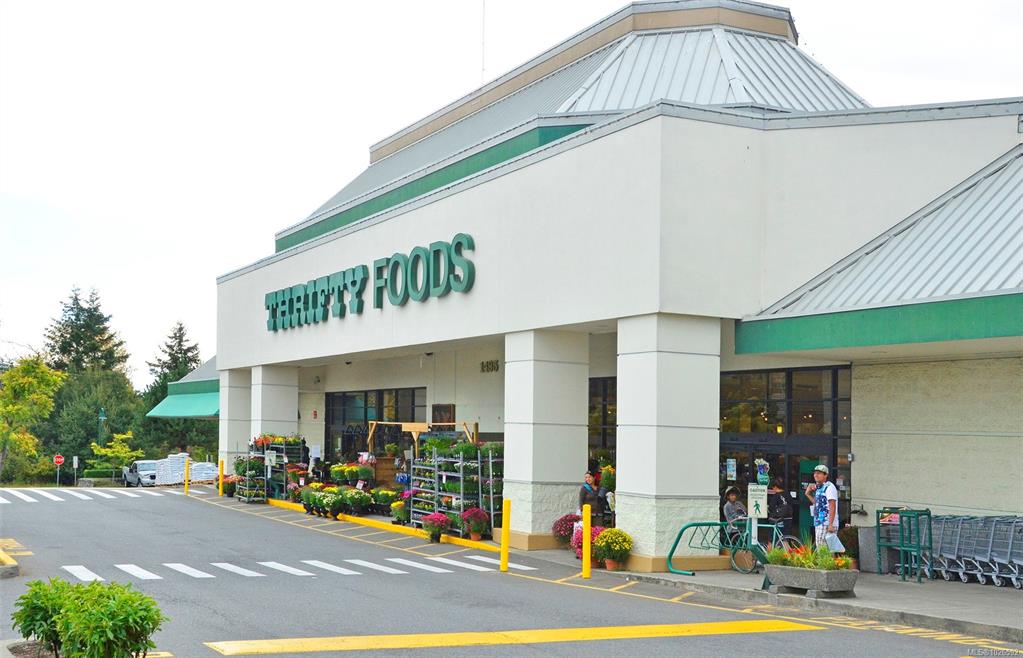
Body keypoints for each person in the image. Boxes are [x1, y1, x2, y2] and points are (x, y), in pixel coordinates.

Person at [805, 464, 839, 548]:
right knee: (824, 548)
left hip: (826, 523)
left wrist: (830, 524)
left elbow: (832, 506)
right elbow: (817, 504)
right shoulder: (820, 487)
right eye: (815, 473)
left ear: (825, 475)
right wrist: (808, 494)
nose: (815, 475)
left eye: (819, 473)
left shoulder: (829, 487)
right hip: (819, 522)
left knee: (823, 549)